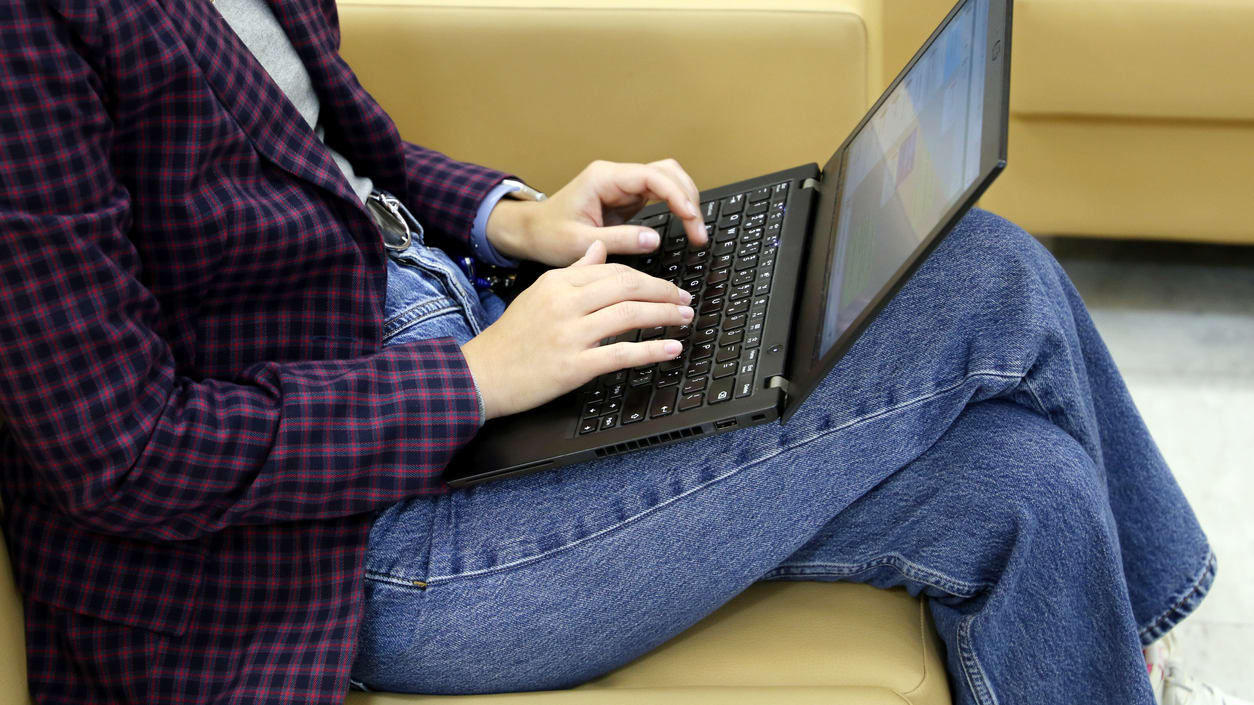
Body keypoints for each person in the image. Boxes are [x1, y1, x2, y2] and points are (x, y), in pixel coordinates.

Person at [0, 1, 1241, 704]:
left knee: (1027, 483)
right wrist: (477, 378)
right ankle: (1149, 638)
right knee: (983, 276)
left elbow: (330, 151)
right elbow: (119, 450)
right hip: (333, 547)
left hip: (460, 345)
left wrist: (511, 217)